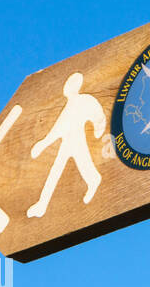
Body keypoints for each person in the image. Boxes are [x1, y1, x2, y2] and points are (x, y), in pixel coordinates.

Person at [27, 72, 106, 218]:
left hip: (76, 140)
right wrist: (42, 144)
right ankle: (42, 204)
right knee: (57, 170)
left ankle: (94, 180)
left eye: (69, 83)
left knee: (77, 165)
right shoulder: (71, 104)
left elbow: (97, 114)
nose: (66, 86)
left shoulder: (82, 100)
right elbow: (57, 129)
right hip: (68, 142)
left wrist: (98, 129)